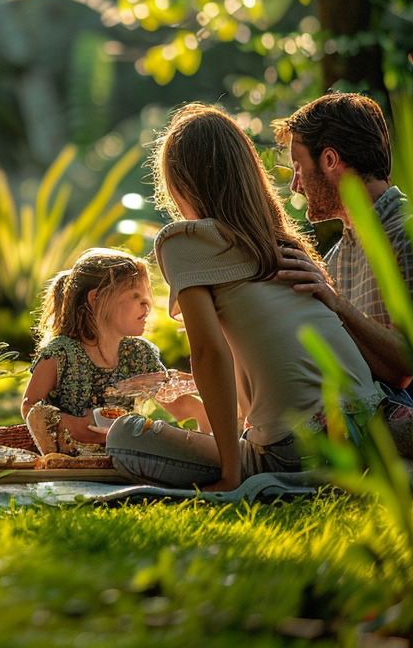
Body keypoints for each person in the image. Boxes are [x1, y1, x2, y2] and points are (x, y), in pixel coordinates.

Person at [106, 103, 383, 491]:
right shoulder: (282, 242)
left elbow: (210, 353)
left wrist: (230, 475)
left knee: (124, 437)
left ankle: (262, 468)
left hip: (301, 448)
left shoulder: (182, 241)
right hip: (372, 431)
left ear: (181, 183)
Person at [271, 92, 413, 402]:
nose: (295, 185)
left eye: (298, 167)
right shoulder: (337, 258)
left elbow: (411, 368)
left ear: (329, 160)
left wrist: (335, 303)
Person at [20, 247, 208, 448]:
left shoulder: (139, 354)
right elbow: (30, 407)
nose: (147, 305)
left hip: (125, 457)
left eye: (146, 296)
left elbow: (175, 402)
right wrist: (76, 426)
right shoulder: (61, 353)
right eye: (135, 296)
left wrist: (206, 420)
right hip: (70, 457)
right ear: (96, 299)